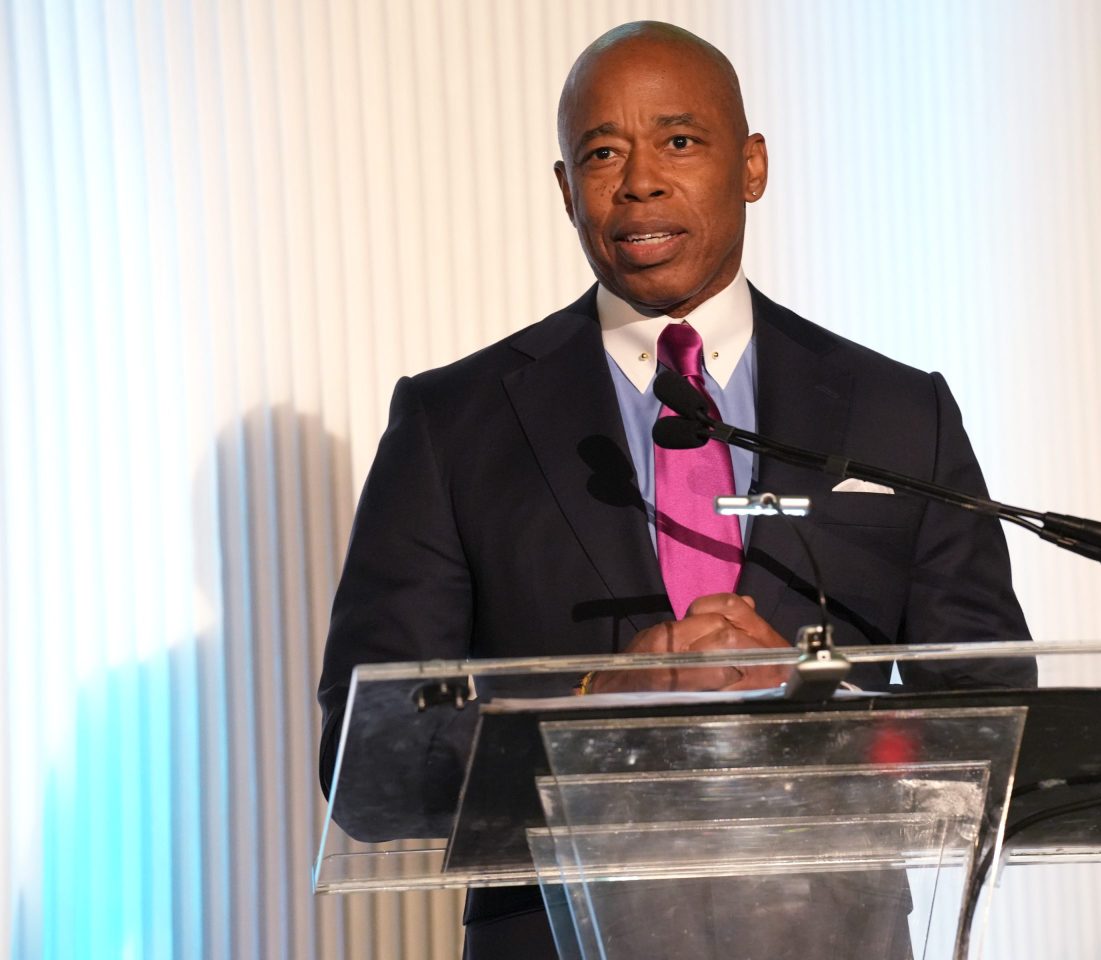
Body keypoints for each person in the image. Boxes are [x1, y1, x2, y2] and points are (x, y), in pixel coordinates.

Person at [318, 20, 1032, 959]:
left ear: (752, 165)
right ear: (568, 192)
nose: (640, 180)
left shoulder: (899, 417)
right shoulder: (454, 424)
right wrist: (599, 701)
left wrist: (810, 705)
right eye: (603, 153)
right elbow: (366, 766)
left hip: (831, 935)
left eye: (680, 141)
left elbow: (1000, 727)